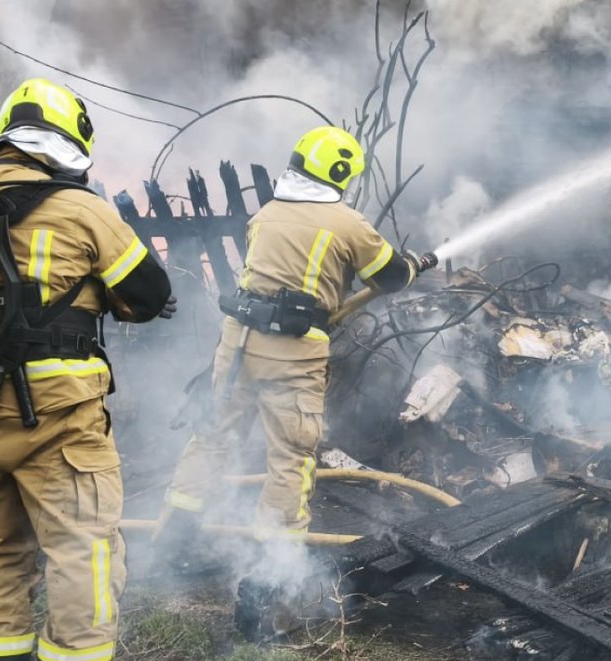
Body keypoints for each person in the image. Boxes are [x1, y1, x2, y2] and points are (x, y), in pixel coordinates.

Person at [0, 77, 174, 661]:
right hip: (60, 417)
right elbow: (147, 292)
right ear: (70, 139)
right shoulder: (83, 210)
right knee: (86, 553)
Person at [159, 126, 433, 613]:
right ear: (342, 174)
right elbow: (390, 276)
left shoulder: (267, 214)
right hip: (293, 352)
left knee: (212, 437)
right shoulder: (346, 223)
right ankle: (267, 585)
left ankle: (173, 544)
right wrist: (413, 264)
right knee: (289, 458)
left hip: (236, 344)